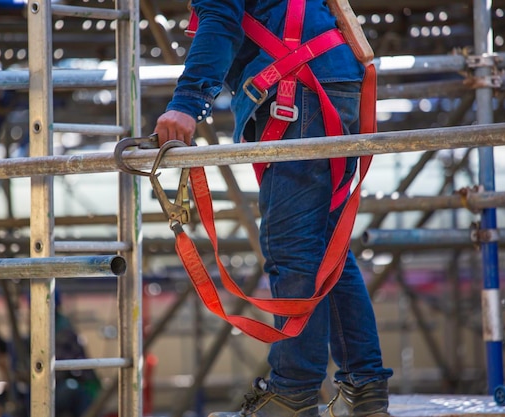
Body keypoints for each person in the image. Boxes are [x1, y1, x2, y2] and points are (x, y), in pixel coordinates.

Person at [154, 1, 393, 417]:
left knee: (294, 248)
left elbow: (220, 20)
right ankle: (366, 386)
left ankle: (293, 394)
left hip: (299, 86)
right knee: (324, 249)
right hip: (324, 74)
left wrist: (187, 103)